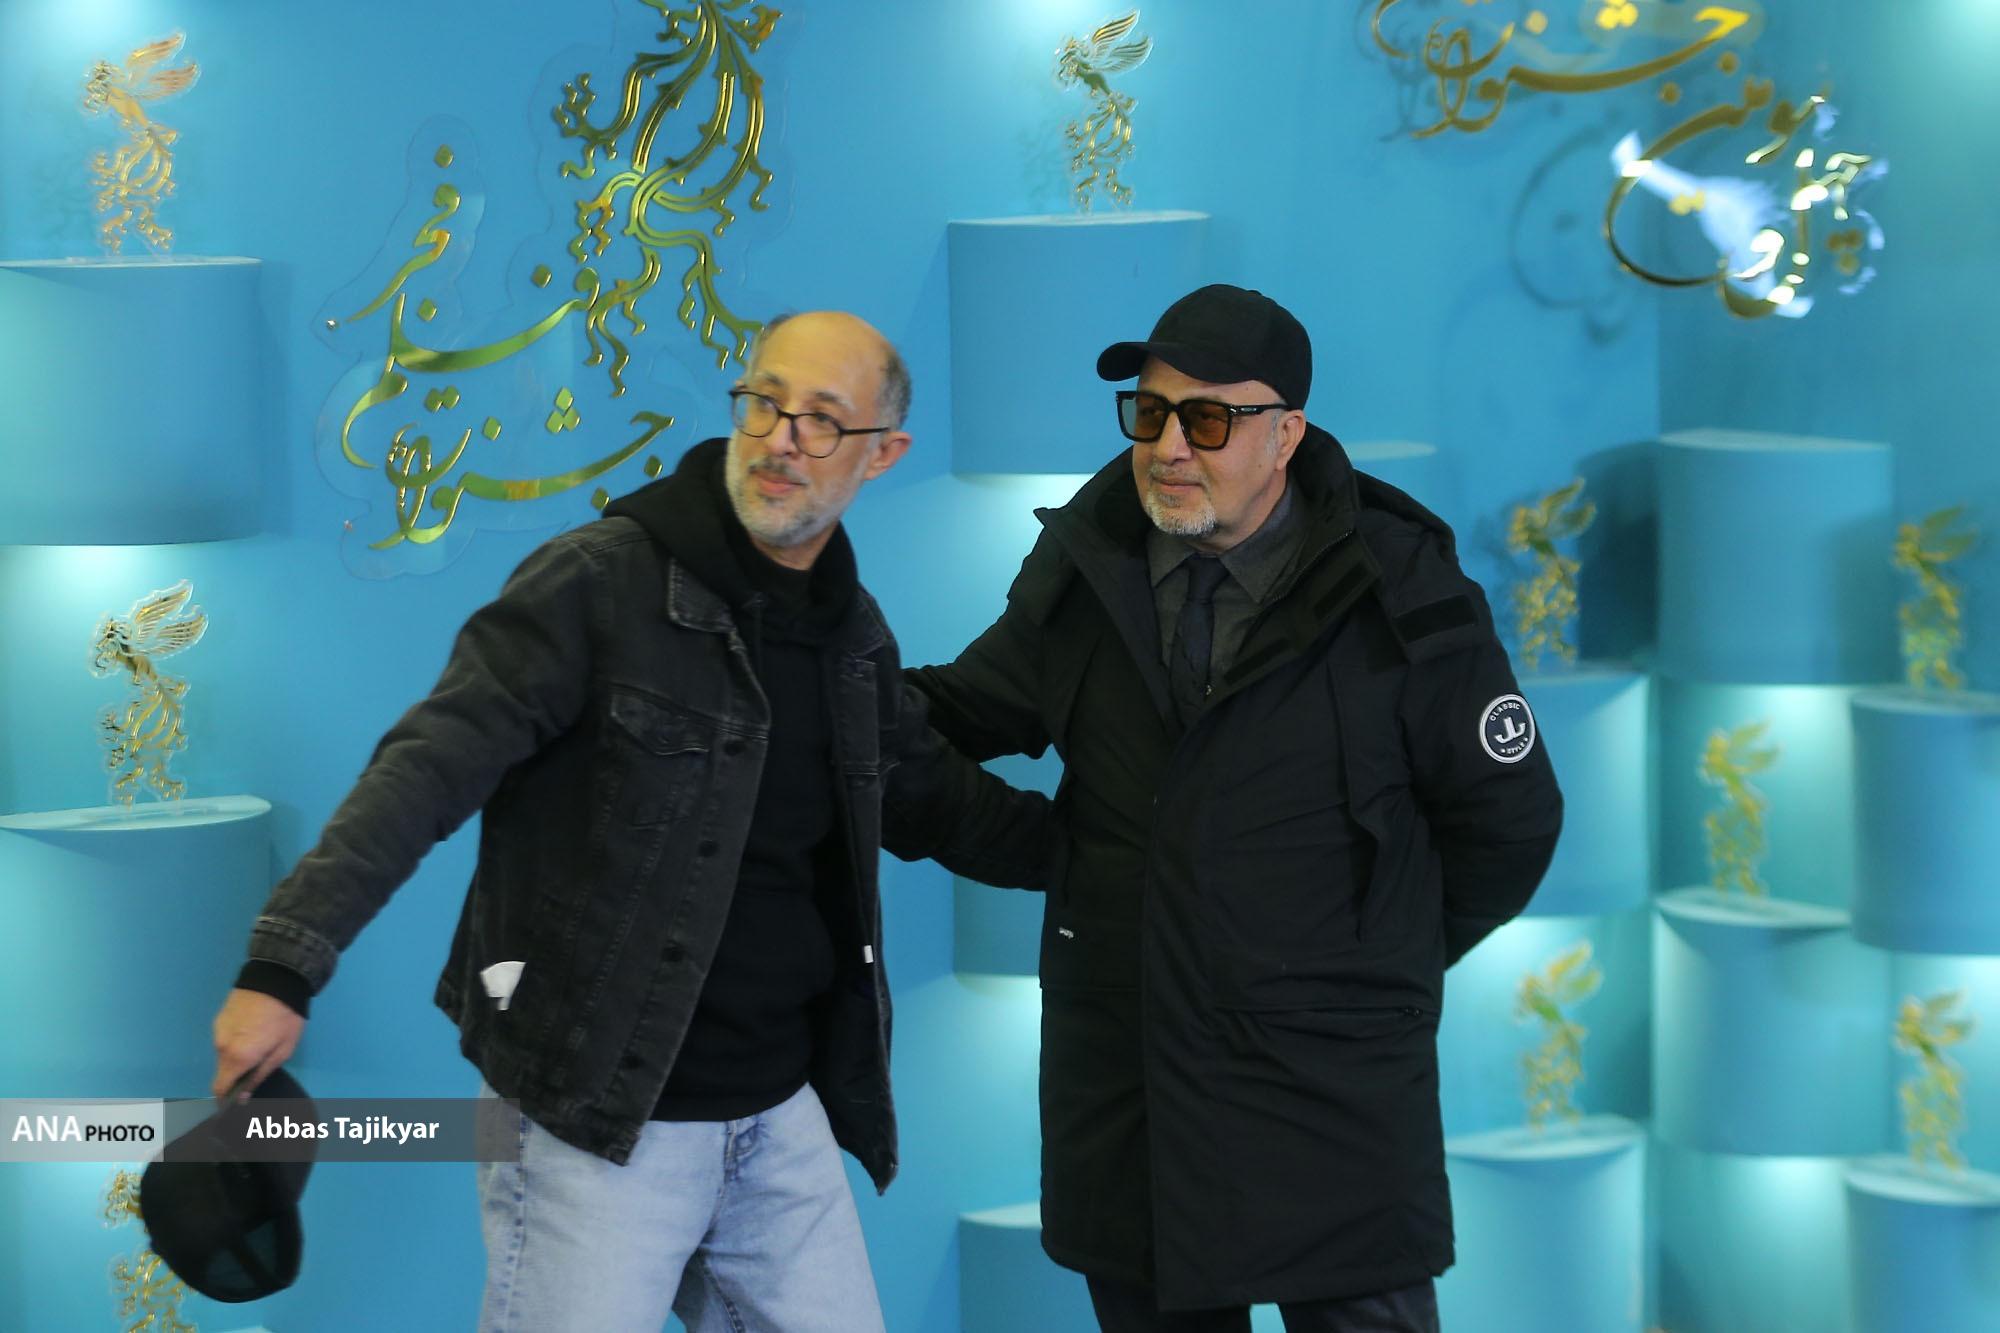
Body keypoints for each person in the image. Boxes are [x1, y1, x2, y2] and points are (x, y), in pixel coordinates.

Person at [210, 310, 1051, 1333]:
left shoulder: (851, 640)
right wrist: (284, 965)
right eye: (764, 402)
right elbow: (424, 770)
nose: (782, 438)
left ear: (883, 454)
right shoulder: (598, 582)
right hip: (594, 1115)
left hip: (776, 1116)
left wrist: (1137, 856)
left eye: (823, 419)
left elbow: (942, 803)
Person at [908, 285, 1563, 1332]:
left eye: (1207, 419)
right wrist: (843, 706)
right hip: (1130, 1074)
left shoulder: (1400, 584)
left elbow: (1510, 821)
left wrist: (1371, 963)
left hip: (1334, 1088)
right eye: (1149, 412)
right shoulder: (1087, 563)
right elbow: (952, 718)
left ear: (1284, 435)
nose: (1169, 446)